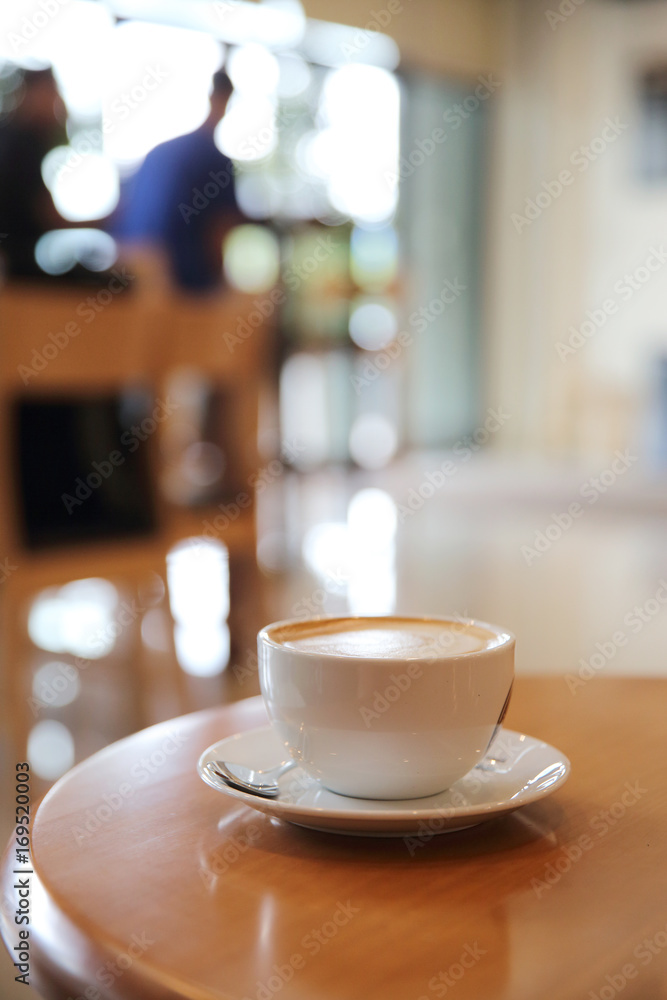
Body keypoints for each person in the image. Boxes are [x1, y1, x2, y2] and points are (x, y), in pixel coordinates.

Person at [116, 69, 241, 293]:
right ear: (225, 100)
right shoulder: (217, 161)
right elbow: (219, 229)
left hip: (130, 271)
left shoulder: (159, 152)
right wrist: (220, 286)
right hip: (181, 281)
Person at [0, 67, 68, 279]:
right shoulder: (23, 142)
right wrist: (111, 219)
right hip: (19, 267)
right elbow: (47, 216)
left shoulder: (12, 136)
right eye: (53, 91)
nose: (58, 102)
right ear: (31, 93)